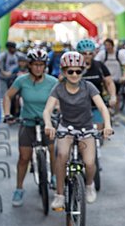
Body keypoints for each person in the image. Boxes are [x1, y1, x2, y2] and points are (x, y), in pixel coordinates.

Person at [43, 52, 114, 211]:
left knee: (89, 163)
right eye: (70, 71)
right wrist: (49, 124)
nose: (74, 75)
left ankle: (89, 185)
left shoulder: (88, 86)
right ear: (63, 72)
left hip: (86, 128)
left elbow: (102, 107)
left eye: (78, 71)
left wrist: (107, 125)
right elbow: (47, 110)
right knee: (61, 156)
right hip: (66, 128)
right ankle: (60, 195)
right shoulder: (59, 88)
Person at [3, 48, 58, 207]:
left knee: (53, 150)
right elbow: (7, 96)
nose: (38, 68)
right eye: (35, 65)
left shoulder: (52, 82)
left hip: (47, 122)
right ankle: (19, 189)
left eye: (41, 65)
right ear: (29, 65)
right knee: (24, 158)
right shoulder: (21, 81)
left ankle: (54, 176)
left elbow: (60, 99)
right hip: (27, 122)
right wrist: (7, 114)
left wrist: (59, 110)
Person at [77, 39, 116, 130]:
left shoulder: (99, 65)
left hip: (96, 104)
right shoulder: (74, 68)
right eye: (84, 53)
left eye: (90, 53)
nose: (87, 56)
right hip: (79, 106)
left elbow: (109, 82)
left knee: (99, 130)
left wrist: (113, 96)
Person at [95, 38, 125, 113]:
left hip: (116, 79)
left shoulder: (119, 54)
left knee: (116, 96)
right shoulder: (102, 54)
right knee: (106, 97)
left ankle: (116, 112)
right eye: (106, 45)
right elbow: (96, 63)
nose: (107, 47)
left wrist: (124, 76)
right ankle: (107, 111)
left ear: (112, 45)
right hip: (106, 80)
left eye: (109, 45)